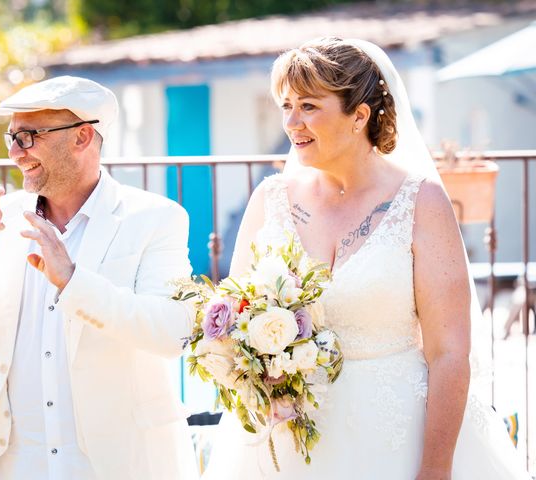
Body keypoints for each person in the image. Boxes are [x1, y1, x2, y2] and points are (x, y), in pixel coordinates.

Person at [202, 38, 530, 479]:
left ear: (359, 115)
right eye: (287, 105)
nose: (292, 122)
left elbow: (450, 351)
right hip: (285, 446)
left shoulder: (421, 202)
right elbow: (233, 320)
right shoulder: (270, 199)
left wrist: (435, 467)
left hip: (396, 441)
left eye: (309, 107)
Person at [0, 76, 198, 480]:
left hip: (120, 465)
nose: (16, 152)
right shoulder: (1, 222)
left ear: (83, 137)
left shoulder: (155, 218)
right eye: (11, 137)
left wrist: (72, 280)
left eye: (29, 136)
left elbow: (171, 334)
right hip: (16, 466)